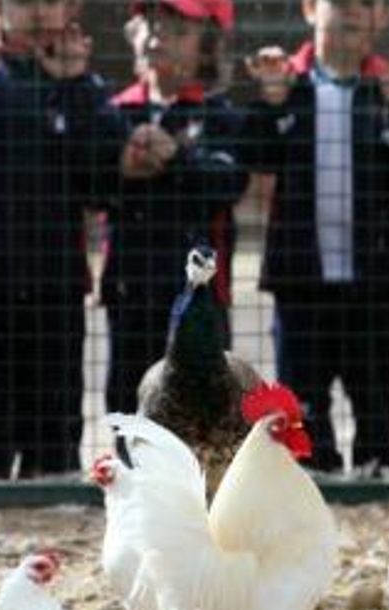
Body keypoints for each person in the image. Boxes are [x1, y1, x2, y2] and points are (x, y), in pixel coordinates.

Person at [0, 0, 124, 478]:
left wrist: (75, 84)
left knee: (55, 419)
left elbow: (104, 183)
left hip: (55, 279)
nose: (39, 11)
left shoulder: (84, 86)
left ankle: (52, 487)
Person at [241, 0, 389, 475]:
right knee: (302, 419)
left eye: (366, 5)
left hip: (375, 283)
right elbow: (254, 160)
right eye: (339, 3)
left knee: (377, 412)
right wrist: (267, 102)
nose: (352, 13)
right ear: (310, 10)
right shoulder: (288, 83)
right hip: (301, 282)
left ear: (383, 17)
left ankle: (381, 499)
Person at [100, 0, 246, 416]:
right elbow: (88, 187)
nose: (160, 36)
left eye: (180, 30)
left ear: (208, 46)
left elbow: (228, 183)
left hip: (198, 296)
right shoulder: (116, 111)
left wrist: (175, 159)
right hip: (129, 289)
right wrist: (120, 168)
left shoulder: (220, 115)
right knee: (129, 407)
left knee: (203, 410)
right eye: (153, 24)